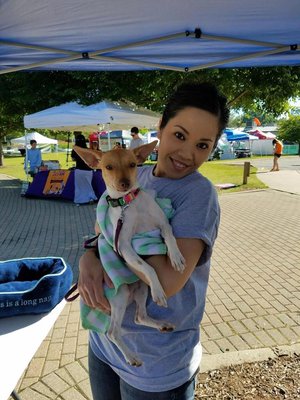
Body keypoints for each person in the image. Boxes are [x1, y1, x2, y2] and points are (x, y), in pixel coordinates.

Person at [78, 82, 230, 399]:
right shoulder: (139, 175)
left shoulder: (198, 194)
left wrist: (118, 242)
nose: (188, 153)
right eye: (179, 135)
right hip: (106, 344)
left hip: (156, 363)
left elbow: (167, 280)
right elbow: (100, 228)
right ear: (160, 127)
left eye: (203, 145)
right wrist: (88, 256)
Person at [71, 134, 98, 205]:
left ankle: (79, 200)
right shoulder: (87, 150)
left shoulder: (75, 150)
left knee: (79, 186)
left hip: (79, 170)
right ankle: (91, 198)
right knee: (89, 185)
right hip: (88, 170)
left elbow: (73, 158)